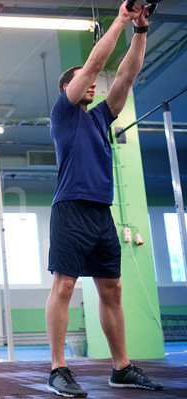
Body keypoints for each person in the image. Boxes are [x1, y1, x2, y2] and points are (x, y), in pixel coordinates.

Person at [45, 2, 163, 397]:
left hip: (100, 213)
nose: (92, 84)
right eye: (82, 80)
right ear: (68, 88)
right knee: (64, 285)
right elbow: (94, 65)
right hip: (70, 208)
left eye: (91, 82)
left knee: (111, 289)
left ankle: (121, 367)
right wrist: (121, 18)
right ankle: (58, 368)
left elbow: (126, 77)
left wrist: (140, 30)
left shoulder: (98, 117)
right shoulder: (63, 113)